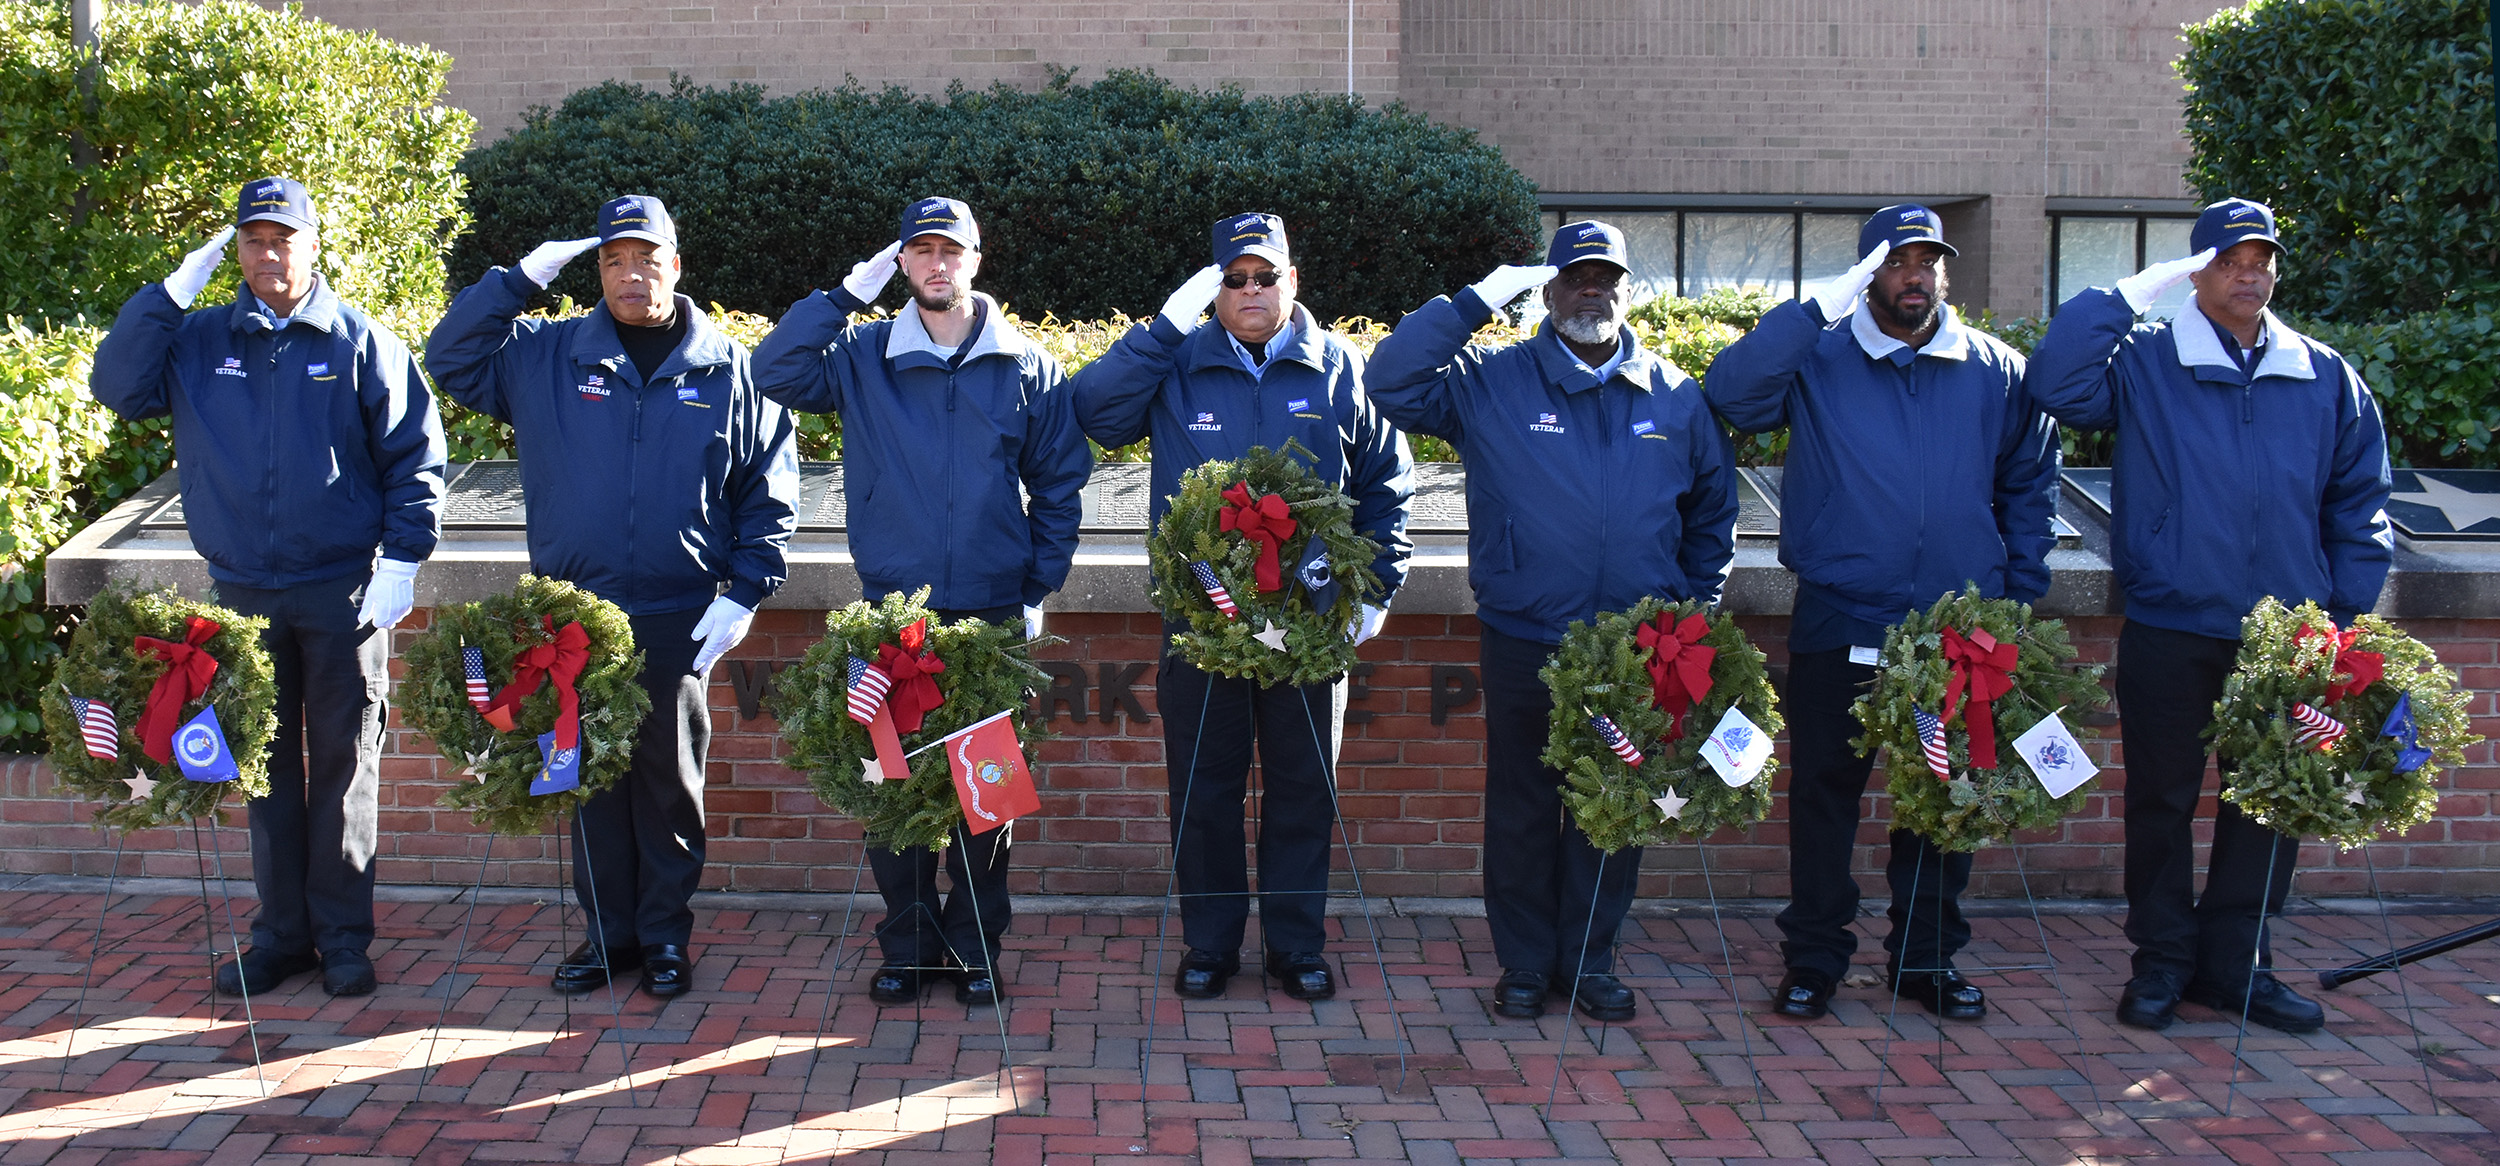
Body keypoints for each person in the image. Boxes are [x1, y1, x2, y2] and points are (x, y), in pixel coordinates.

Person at [2027, 197, 2393, 1034]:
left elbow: (2359, 502)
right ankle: (2161, 962)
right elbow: (2055, 384)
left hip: (2285, 642)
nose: (2250, 272)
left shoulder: (2322, 372)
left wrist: (2339, 619)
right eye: (2231, 259)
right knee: (2160, 799)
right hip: (2172, 621)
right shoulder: (2149, 359)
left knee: (2269, 801)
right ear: (2197, 271)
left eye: (2262, 258)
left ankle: (2237, 967)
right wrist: (2133, 292)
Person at [426, 194, 799, 999]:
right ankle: (608, 938)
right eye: (613, 261)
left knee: (668, 780)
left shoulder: (733, 367)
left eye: (647, 258)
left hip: (679, 611)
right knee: (589, 779)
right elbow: (450, 357)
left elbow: (768, 491)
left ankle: (665, 938)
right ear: (596, 271)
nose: (632, 275)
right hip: (576, 615)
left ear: (676, 263)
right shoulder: (545, 355)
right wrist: (519, 278)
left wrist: (745, 591)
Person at [1368, 221, 1738, 1022]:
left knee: (1615, 802)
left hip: (1638, 649)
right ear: (1547, 289)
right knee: (1525, 805)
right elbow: (1390, 382)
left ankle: (1592, 959)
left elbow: (1713, 516)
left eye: (1607, 276)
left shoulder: (1675, 395)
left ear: (1628, 289)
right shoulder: (1491, 381)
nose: (1591, 290)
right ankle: (1527, 963)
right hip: (1527, 635)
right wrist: (1474, 300)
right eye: (1575, 276)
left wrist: (1693, 614)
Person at [90, 177, 447, 998]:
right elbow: (117, 387)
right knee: (264, 769)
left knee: (347, 766)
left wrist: (402, 561)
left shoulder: (360, 341)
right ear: (237, 253)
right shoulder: (197, 340)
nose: (269, 254)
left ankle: (345, 939)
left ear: (313, 246)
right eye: (254, 240)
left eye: (283, 238)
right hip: (241, 592)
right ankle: (282, 936)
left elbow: (414, 461)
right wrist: (169, 295)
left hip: (343, 592)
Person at [1704, 206, 2060, 1022]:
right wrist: (1815, 308)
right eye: (1898, 262)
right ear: (1867, 274)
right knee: (1827, 796)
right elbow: (1730, 392)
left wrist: (2016, 593)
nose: (1916, 276)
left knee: (1943, 795)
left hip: (1957, 632)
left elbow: (2030, 482)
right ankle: (1816, 960)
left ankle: (1926, 960)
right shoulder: (1819, 357)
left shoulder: (1993, 368)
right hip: (1841, 613)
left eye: (1929, 261)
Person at [751, 197, 1091, 1008]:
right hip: (890, 616)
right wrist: (841, 297)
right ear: (900, 265)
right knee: (890, 785)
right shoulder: (862, 355)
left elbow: (1060, 483)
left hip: (993, 618)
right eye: (921, 252)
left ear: (976, 259)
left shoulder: (1025, 365)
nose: (937, 265)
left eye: (952, 251)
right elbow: (772, 372)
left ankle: (975, 948)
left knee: (988, 797)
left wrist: (1035, 584)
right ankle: (906, 947)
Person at [1069, 213, 1413, 1003]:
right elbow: (1094, 414)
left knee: (1303, 788)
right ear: (1214, 289)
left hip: (1311, 626)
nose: (1252, 291)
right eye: (1235, 279)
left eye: (1267, 276)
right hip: (1202, 624)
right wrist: (1159, 329)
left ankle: (1296, 947)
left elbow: (1387, 485)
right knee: (1204, 788)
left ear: (1293, 281)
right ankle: (1211, 944)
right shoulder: (1177, 362)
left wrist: (1378, 588)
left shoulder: (1338, 368)